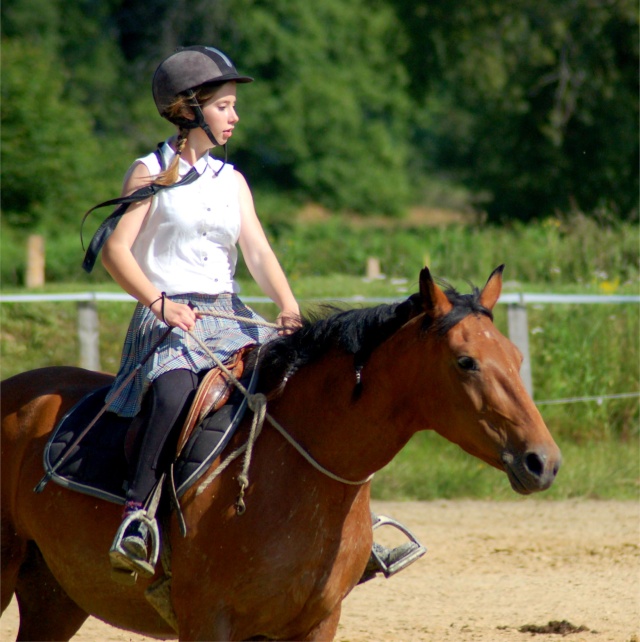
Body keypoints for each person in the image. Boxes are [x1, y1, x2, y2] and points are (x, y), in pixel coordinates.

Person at [100, 45, 423, 582]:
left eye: (232, 106)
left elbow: (258, 253)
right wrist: (160, 304)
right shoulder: (149, 171)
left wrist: (289, 305)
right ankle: (138, 518)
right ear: (189, 108)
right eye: (224, 105)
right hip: (167, 316)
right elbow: (115, 252)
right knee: (176, 391)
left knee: (310, 387)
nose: (235, 116)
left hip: (230, 316)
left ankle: (347, 531)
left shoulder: (233, 182)